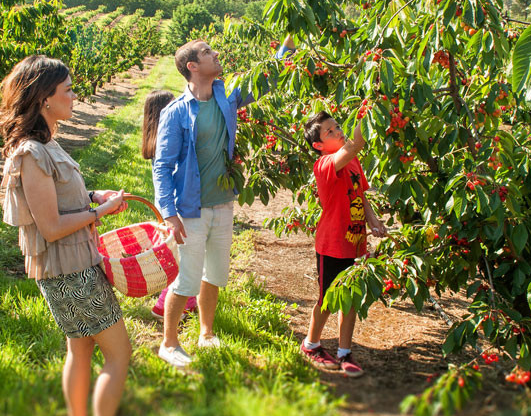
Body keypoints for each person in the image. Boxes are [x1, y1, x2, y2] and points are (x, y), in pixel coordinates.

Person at [0, 54, 138, 416]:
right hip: (69, 270)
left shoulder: (46, 144)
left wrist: (94, 196)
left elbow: (61, 196)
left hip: (71, 265)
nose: (75, 96)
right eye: (68, 90)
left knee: (79, 350)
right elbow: (53, 226)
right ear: (44, 99)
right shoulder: (31, 153)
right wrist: (100, 214)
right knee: (118, 353)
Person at [152, 36, 294, 368]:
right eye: (207, 52)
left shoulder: (225, 95)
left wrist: (284, 51)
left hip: (223, 205)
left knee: (214, 274)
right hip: (191, 209)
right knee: (186, 278)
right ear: (193, 66)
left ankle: (206, 334)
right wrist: (169, 213)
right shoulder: (176, 113)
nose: (215, 54)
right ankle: (168, 343)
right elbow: (161, 165)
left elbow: (262, 84)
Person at [300, 111, 387, 378]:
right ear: (319, 146)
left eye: (337, 126)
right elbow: (356, 143)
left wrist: (373, 221)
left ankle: (344, 352)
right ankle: (311, 344)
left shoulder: (352, 163)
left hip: (356, 242)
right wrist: (373, 108)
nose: (338, 131)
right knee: (327, 299)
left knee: (350, 300)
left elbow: (361, 194)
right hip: (333, 245)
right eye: (330, 131)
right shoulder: (325, 165)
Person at [141, 89, 199, 322]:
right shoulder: (168, 143)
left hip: (168, 208)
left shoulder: (156, 141)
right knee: (184, 261)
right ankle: (164, 307)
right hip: (176, 208)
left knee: (183, 257)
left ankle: (187, 303)